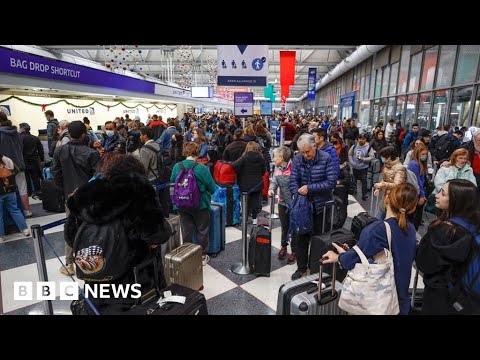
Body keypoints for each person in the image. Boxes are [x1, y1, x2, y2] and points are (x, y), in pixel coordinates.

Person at [65, 154, 172, 314]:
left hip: (96, 277)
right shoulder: (139, 188)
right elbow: (157, 233)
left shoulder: (84, 193)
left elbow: (71, 237)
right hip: (134, 279)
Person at [322, 183, 418, 315]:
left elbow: (351, 260)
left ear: (386, 200)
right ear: (412, 209)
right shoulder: (410, 229)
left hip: (381, 300)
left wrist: (339, 256)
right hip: (400, 299)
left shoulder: (377, 230)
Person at [416, 179, 480, 314]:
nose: (437, 195)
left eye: (443, 194)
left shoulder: (442, 231)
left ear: (457, 201)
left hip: (438, 296)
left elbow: (424, 264)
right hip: (466, 297)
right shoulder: (474, 227)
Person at [51, 121, 101, 275]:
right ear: (84, 135)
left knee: (70, 227)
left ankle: (69, 264)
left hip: (70, 196)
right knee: (91, 227)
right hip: (89, 197)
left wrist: (65, 189)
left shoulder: (59, 151)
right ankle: (92, 261)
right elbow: (98, 177)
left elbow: (55, 173)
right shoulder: (91, 153)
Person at [289, 134, 337, 280]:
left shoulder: (326, 158)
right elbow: (293, 180)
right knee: (301, 238)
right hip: (303, 206)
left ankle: (315, 268)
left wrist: (310, 188)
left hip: (320, 206)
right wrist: (297, 194)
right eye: (302, 152)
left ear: (315, 146)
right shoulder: (298, 159)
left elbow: (331, 182)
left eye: (307, 152)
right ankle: (301, 268)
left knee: (318, 240)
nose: (305, 155)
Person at [170, 142, 216, 266]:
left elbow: (172, 181)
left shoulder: (176, 166)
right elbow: (212, 187)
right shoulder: (201, 168)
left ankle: (187, 255)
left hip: (181, 203)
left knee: (186, 230)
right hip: (200, 204)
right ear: (197, 152)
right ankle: (202, 256)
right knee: (202, 229)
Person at [0, 113, 32, 217]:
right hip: (19, 165)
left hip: (4, 167)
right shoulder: (17, 133)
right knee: (23, 189)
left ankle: (12, 214)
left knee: (7, 191)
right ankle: (27, 210)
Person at [269, 146, 296, 264]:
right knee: (284, 227)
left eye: (275, 156)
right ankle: (283, 246)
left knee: (294, 228)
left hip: (295, 203)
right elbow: (274, 181)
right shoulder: (277, 167)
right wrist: (271, 189)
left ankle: (295, 251)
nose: (273, 158)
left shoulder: (294, 167)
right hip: (282, 202)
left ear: (282, 157)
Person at [139, 127, 171, 218]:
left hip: (152, 180)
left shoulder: (145, 149)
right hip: (162, 177)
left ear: (145, 136)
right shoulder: (158, 145)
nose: (140, 137)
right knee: (164, 202)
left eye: (141, 135)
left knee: (154, 204)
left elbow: (143, 169)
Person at [231, 141, 266, 225]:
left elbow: (234, 165)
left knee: (245, 202)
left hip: (245, 184)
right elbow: (263, 171)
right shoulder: (261, 158)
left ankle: (245, 219)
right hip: (257, 184)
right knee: (255, 203)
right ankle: (254, 219)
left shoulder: (244, 157)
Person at [0, 154, 30, 242]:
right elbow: (16, 170)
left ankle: (1, 236)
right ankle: (25, 229)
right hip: (10, 189)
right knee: (15, 210)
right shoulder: (7, 159)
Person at [373, 146, 406, 220]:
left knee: (388, 219)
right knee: (379, 217)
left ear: (389, 157)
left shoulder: (399, 168)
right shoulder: (387, 165)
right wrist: (378, 188)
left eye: (383, 157)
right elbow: (384, 179)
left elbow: (398, 185)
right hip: (385, 197)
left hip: (394, 199)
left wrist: (382, 185)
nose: (382, 158)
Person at [19, 123, 44, 199]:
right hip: (34, 160)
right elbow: (40, 150)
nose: (19, 130)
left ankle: (28, 193)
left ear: (23, 129)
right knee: (35, 178)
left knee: (26, 178)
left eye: (19, 128)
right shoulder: (35, 138)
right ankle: (38, 192)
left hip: (24, 161)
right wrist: (42, 160)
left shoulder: (19, 138)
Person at [407, 143, 428, 230]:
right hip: (416, 193)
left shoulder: (420, 163)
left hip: (417, 192)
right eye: (422, 154)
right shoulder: (414, 164)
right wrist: (422, 196)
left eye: (426, 154)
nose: (425, 156)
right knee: (414, 218)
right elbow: (417, 181)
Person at [348, 134, 375, 200]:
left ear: (365, 139)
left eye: (363, 139)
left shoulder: (368, 147)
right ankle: (354, 191)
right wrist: (352, 162)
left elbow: (372, 157)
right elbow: (350, 154)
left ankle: (364, 194)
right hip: (355, 167)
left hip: (363, 168)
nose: (361, 140)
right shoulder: (354, 146)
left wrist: (364, 159)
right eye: (360, 138)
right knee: (354, 180)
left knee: (364, 181)